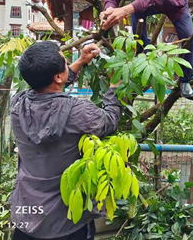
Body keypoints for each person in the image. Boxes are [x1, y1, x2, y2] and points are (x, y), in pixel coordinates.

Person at [9, 41, 122, 240]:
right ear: (58, 76)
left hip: (26, 217)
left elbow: (46, 88)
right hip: (67, 222)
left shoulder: (18, 103)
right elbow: (109, 121)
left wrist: (80, 62)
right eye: (65, 61)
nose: (67, 62)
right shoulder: (78, 111)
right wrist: (113, 88)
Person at [100, 0, 193, 97]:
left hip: (174, 5)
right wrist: (109, 10)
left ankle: (186, 80)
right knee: (136, 19)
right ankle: (146, 59)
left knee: (189, 36)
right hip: (146, 7)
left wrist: (123, 11)